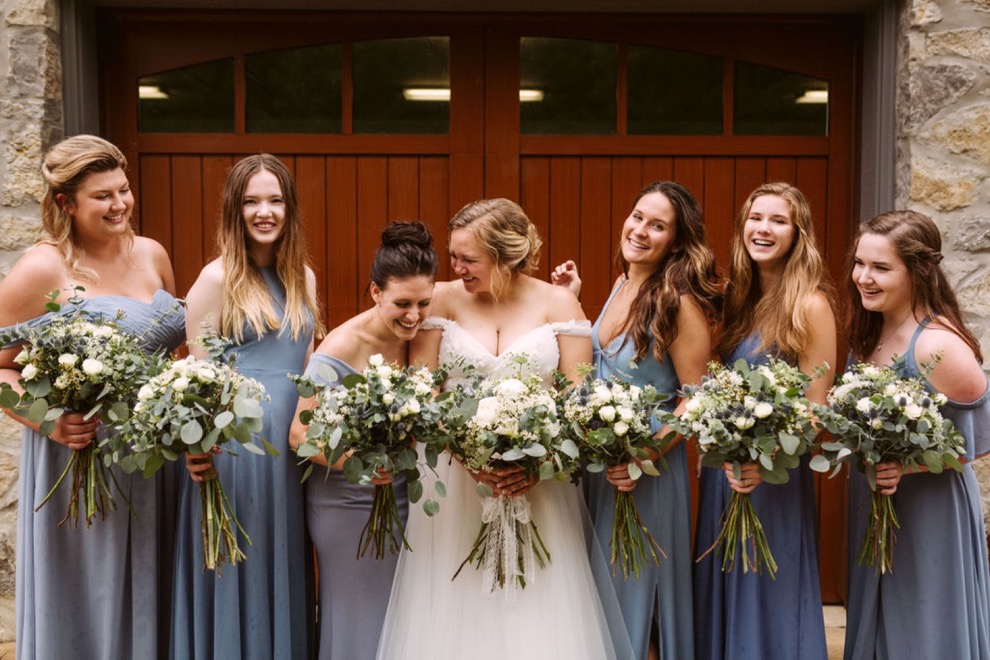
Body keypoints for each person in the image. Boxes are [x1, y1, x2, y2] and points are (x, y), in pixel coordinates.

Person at [376, 198, 632, 660]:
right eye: (453, 256)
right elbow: (425, 392)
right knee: (452, 601)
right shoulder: (444, 299)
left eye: (467, 258)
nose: (455, 267)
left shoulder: (559, 302)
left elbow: (577, 398)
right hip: (453, 480)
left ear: (506, 255)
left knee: (536, 601)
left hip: (539, 485)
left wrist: (538, 464)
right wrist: (472, 462)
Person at [0, 135, 185, 659]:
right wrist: (48, 419)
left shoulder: (152, 253)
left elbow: (174, 352)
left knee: (159, 590)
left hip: (156, 459)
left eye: (123, 190)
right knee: (92, 596)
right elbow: (0, 368)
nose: (121, 204)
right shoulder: (43, 269)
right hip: (84, 462)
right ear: (66, 203)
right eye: (103, 196)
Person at [552, 180, 721, 660]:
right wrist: (574, 301)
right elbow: (601, 365)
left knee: (638, 595)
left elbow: (696, 398)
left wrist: (643, 455)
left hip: (646, 474)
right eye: (638, 216)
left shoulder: (679, 302)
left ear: (677, 241)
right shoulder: (624, 284)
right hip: (600, 467)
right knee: (599, 593)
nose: (641, 230)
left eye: (658, 225)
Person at [170, 154, 322, 660]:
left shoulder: (303, 277)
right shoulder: (215, 280)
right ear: (234, 210)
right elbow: (200, 380)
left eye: (275, 200)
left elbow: (307, 365)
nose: (264, 211)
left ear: (289, 208)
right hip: (239, 451)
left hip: (295, 448)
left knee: (285, 558)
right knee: (243, 562)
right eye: (252, 201)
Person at [693, 182, 834, 660]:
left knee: (766, 589)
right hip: (724, 475)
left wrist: (767, 457)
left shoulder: (810, 306)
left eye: (778, 220)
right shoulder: (735, 298)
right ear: (742, 227)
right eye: (756, 218)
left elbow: (817, 408)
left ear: (799, 234)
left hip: (772, 478)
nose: (764, 229)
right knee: (724, 584)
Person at [842, 210, 990, 659]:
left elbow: (973, 443)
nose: (863, 277)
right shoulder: (873, 331)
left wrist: (907, 465)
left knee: (921, 628)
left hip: (929, 510)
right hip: (879, 504)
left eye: (881, 268)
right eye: (860, 263)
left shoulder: (937, 345)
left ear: (920, 270)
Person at [288, 221, 437, 660]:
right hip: (345, 500)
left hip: (399, 496)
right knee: (359, 618)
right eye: (402, 304)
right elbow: (300, 434)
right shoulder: (342, 346)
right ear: (375, 293)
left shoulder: (415, 338)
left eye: (424, 303)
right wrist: (364, 465)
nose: (414, 315)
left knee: (397, 619)